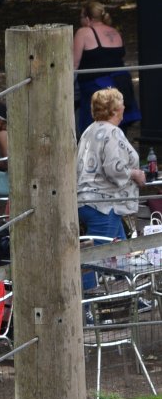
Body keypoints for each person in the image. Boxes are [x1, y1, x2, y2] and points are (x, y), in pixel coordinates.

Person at [75, 88, 144, 291]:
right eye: (121, 104)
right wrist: (135, 174)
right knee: (95, 257)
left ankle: (131, 296)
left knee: (122, 250)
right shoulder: (112, 132)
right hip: (103, 203)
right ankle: (86, 305)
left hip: (87, 200)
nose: (124, 107)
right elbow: (113, 168)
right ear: (115, 109)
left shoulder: (90, 129)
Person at [72, 1, 138, 135]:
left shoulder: (83, 32)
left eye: (81, 17)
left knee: (94, 128)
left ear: (88, 19)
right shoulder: (115, 32)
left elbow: (74, 65)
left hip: (96, 87)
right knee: (117, 126)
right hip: (121, 84)